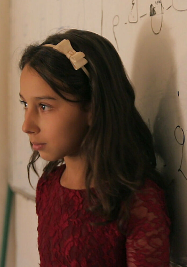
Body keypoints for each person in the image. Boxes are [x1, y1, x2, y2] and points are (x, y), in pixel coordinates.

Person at [18, 29, 170, 266]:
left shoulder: (135, 200)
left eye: (45, 106)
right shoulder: (47, 186)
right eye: (25, 104)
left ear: (92, 107)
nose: (27, 125)